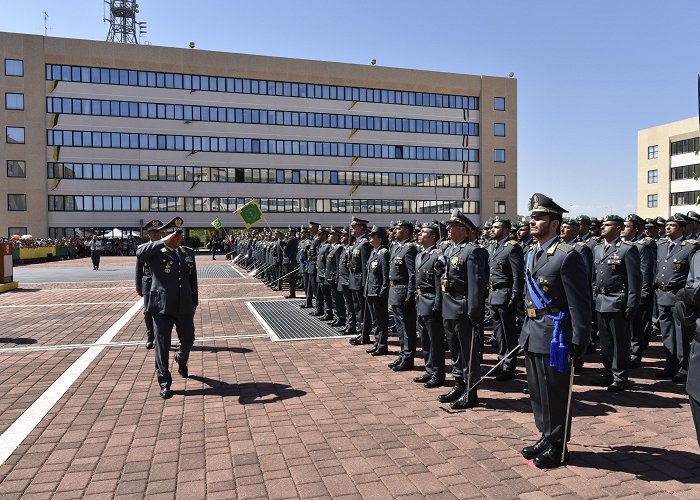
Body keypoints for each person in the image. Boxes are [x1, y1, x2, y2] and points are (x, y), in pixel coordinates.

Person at [519, 193, 590, 469]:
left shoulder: (567, 256)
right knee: (538, 392)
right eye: (532, 217)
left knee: (556, 393)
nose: (532, 221)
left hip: (556, 337)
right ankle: (546, 435)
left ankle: (559, 445)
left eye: (539, 217)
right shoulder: (532, 252)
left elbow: (580, 303)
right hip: (533, 331)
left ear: (555, 222)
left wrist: (579, 342)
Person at [136, 217, 198, 400]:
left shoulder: (188, 252)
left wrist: (194, 301)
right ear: (165, 234)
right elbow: (139, 254)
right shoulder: (156, 250)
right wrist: (162, 242)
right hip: (162, 306)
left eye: (180, 233)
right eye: (174, 233)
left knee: (188, 339)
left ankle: (181, 359)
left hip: (184, 304)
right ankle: (164, 383)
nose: (178, 236)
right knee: (162, 345)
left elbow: (192, 279)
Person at [437, 209, 488, 410]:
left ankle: (470, 391)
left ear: (464, 229)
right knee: (455, 350)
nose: (448, 229)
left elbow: (477, 283)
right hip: (449, 304)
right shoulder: (449, 250)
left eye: (453, 226)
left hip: (463, 305)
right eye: (449, 226)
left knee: (468, 352)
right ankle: (458, 384)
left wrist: (474, 310)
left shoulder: (472, 251)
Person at [591, 215, 641, 391]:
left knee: (620, 342)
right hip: (601, 301)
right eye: (602, 224)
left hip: (618, 301)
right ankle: (608, 373)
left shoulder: (627, 249)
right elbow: (593, 278)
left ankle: (620, 377)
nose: (602, 227)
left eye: (607, 225)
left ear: (619, 228)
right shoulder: (597, 249)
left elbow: (635, 279)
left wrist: (631, 304)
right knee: (605, 342)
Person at [655, 213, 699, 383]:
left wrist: (688, 297)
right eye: (667, 224)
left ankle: (684, 368)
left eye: (672, 225)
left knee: (682, 335)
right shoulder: (660, 246)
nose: (667, 227)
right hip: (661, 294)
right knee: (667, 334)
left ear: (682, 228)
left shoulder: (690, 246)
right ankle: (670, 365)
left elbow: (692, 274)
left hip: (679, 297)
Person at [486, 216, 524, 381]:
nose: (492, 230)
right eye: (492, 227)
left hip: (505, 294)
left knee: (508, 333)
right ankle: (501, 362)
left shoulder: (512, 248)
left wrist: (515, 295)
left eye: (496, 227)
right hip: (492, 295)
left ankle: (509, 366)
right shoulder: (491, 247)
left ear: (506, 230)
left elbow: (517, 275)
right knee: (499, 333)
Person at [413, 222, 446, 388]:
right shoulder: (420, 255)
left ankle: (438, 373)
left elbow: (439, 283)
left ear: (433, 236)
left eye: (423, 232)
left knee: (435, 341)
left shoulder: (437, 255)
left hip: (431, 301)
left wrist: (438, 304)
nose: (419, 234)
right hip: (420, 301)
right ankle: (429, 369)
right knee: (425, 339)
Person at [388, 220, 418, 371]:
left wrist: (410, 294)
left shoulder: (410, 249)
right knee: (400, 327)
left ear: (406, 231)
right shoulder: (395, 247)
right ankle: (402, 354)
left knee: (407, 328)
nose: (395, 231)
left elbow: (413, 274)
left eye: (398, 229)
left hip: (403, 291)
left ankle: (408, 358)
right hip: (395, 291)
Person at [135, 219, 162, 350]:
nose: (156, 234)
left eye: (158, 231)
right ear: (149, 234)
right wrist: (138, 286)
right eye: (153, 232)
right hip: (148, 284)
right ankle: (150, 336)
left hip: (162, 284)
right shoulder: (143, 248)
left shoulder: (165, 247)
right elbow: (138, 269)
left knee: (162, 312)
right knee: (147, 312)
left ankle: (160, 336)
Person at [364, 226, 390, 355]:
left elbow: (385, 276)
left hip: (378, 292)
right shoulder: (373, 252)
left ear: (380, 238)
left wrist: (383, 293)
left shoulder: (383, 253)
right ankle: (377, 343)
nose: (370, 238)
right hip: (370, 291)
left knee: (381, 320)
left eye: (373, 236)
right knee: (375, 321)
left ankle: (382, 345)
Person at [348, 218, 372, 345]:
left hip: (360, 281)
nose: (351, 227)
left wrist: (364, 284)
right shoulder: (357, 243)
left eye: (354, 226)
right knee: (357, 308)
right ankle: (359, 332)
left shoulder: (364, 244)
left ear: (361, 228)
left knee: (362, 310)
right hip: (354, 280)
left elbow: (364, 266)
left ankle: (364, 334)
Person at [283, 227, 299, 298]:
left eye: (289, 232)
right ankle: (291, 291)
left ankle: (292, 292)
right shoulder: (290, 239)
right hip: (287, 260)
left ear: (293, 232)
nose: (288, 233)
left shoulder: (292, 239)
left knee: (290, 278)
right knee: (289, 278)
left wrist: (281, 239)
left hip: (290, 261)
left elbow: (284, 243)